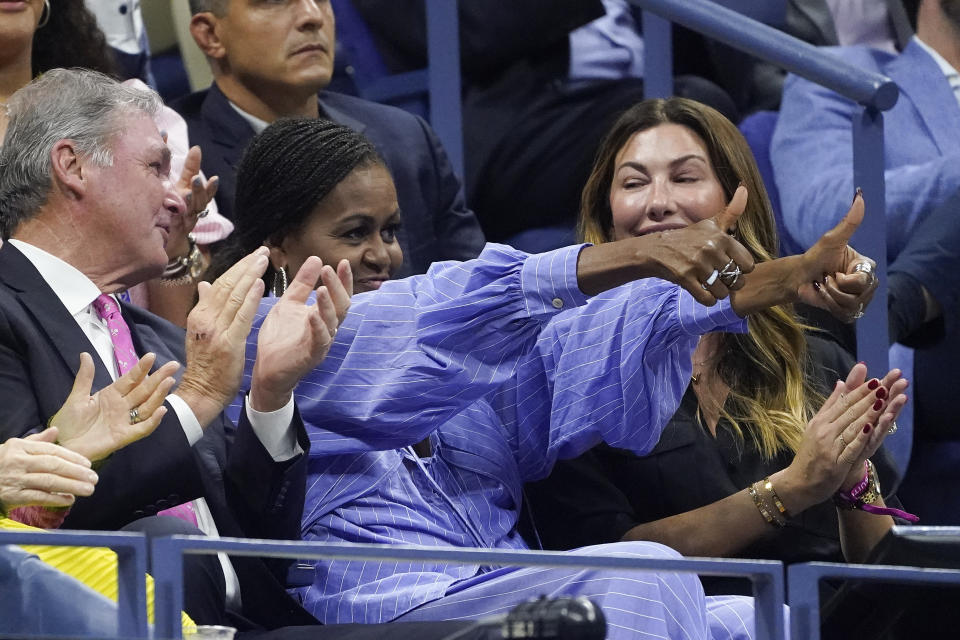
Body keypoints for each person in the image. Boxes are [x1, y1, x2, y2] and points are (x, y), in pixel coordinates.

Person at [219, 116, 882, 639]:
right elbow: (421, 322)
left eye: (390, 231)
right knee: (645, 578)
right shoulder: (257, 339)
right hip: (397, 615)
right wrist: (634, 253)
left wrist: (756, 287)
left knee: (756, 620)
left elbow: (568, 346)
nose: (381, 254)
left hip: (506, 592)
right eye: (353, 232)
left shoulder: (459, 359)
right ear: (278, 245)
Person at [0, 68, 350, 632]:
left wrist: (269, 396)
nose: (179, 197)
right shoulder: (6, 311)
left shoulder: (159, 336)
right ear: (73, 167)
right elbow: (34, 525)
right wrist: (199, 397)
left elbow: (265, 542)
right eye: (156, 167)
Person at [525, 98, 909, 583]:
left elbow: (890, 579)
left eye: (685, 178)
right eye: (634, 182)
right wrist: (790, 489)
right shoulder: (571, 372)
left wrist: (852, 479)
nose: (658, 202)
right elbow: (601, 560)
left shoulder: (812, 361)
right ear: (608, 213)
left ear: (736, 200)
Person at [770, 0, 960, 522]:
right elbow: (825, 209)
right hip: (942, 341)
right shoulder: (843, 76)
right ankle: (894, 311)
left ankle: (896, 307)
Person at [175, 0, 485, 278]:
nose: (312, 16)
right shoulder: (177, 165)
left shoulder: (406, 139)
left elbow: (481, 291)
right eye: (275, 2)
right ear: (210, 35)